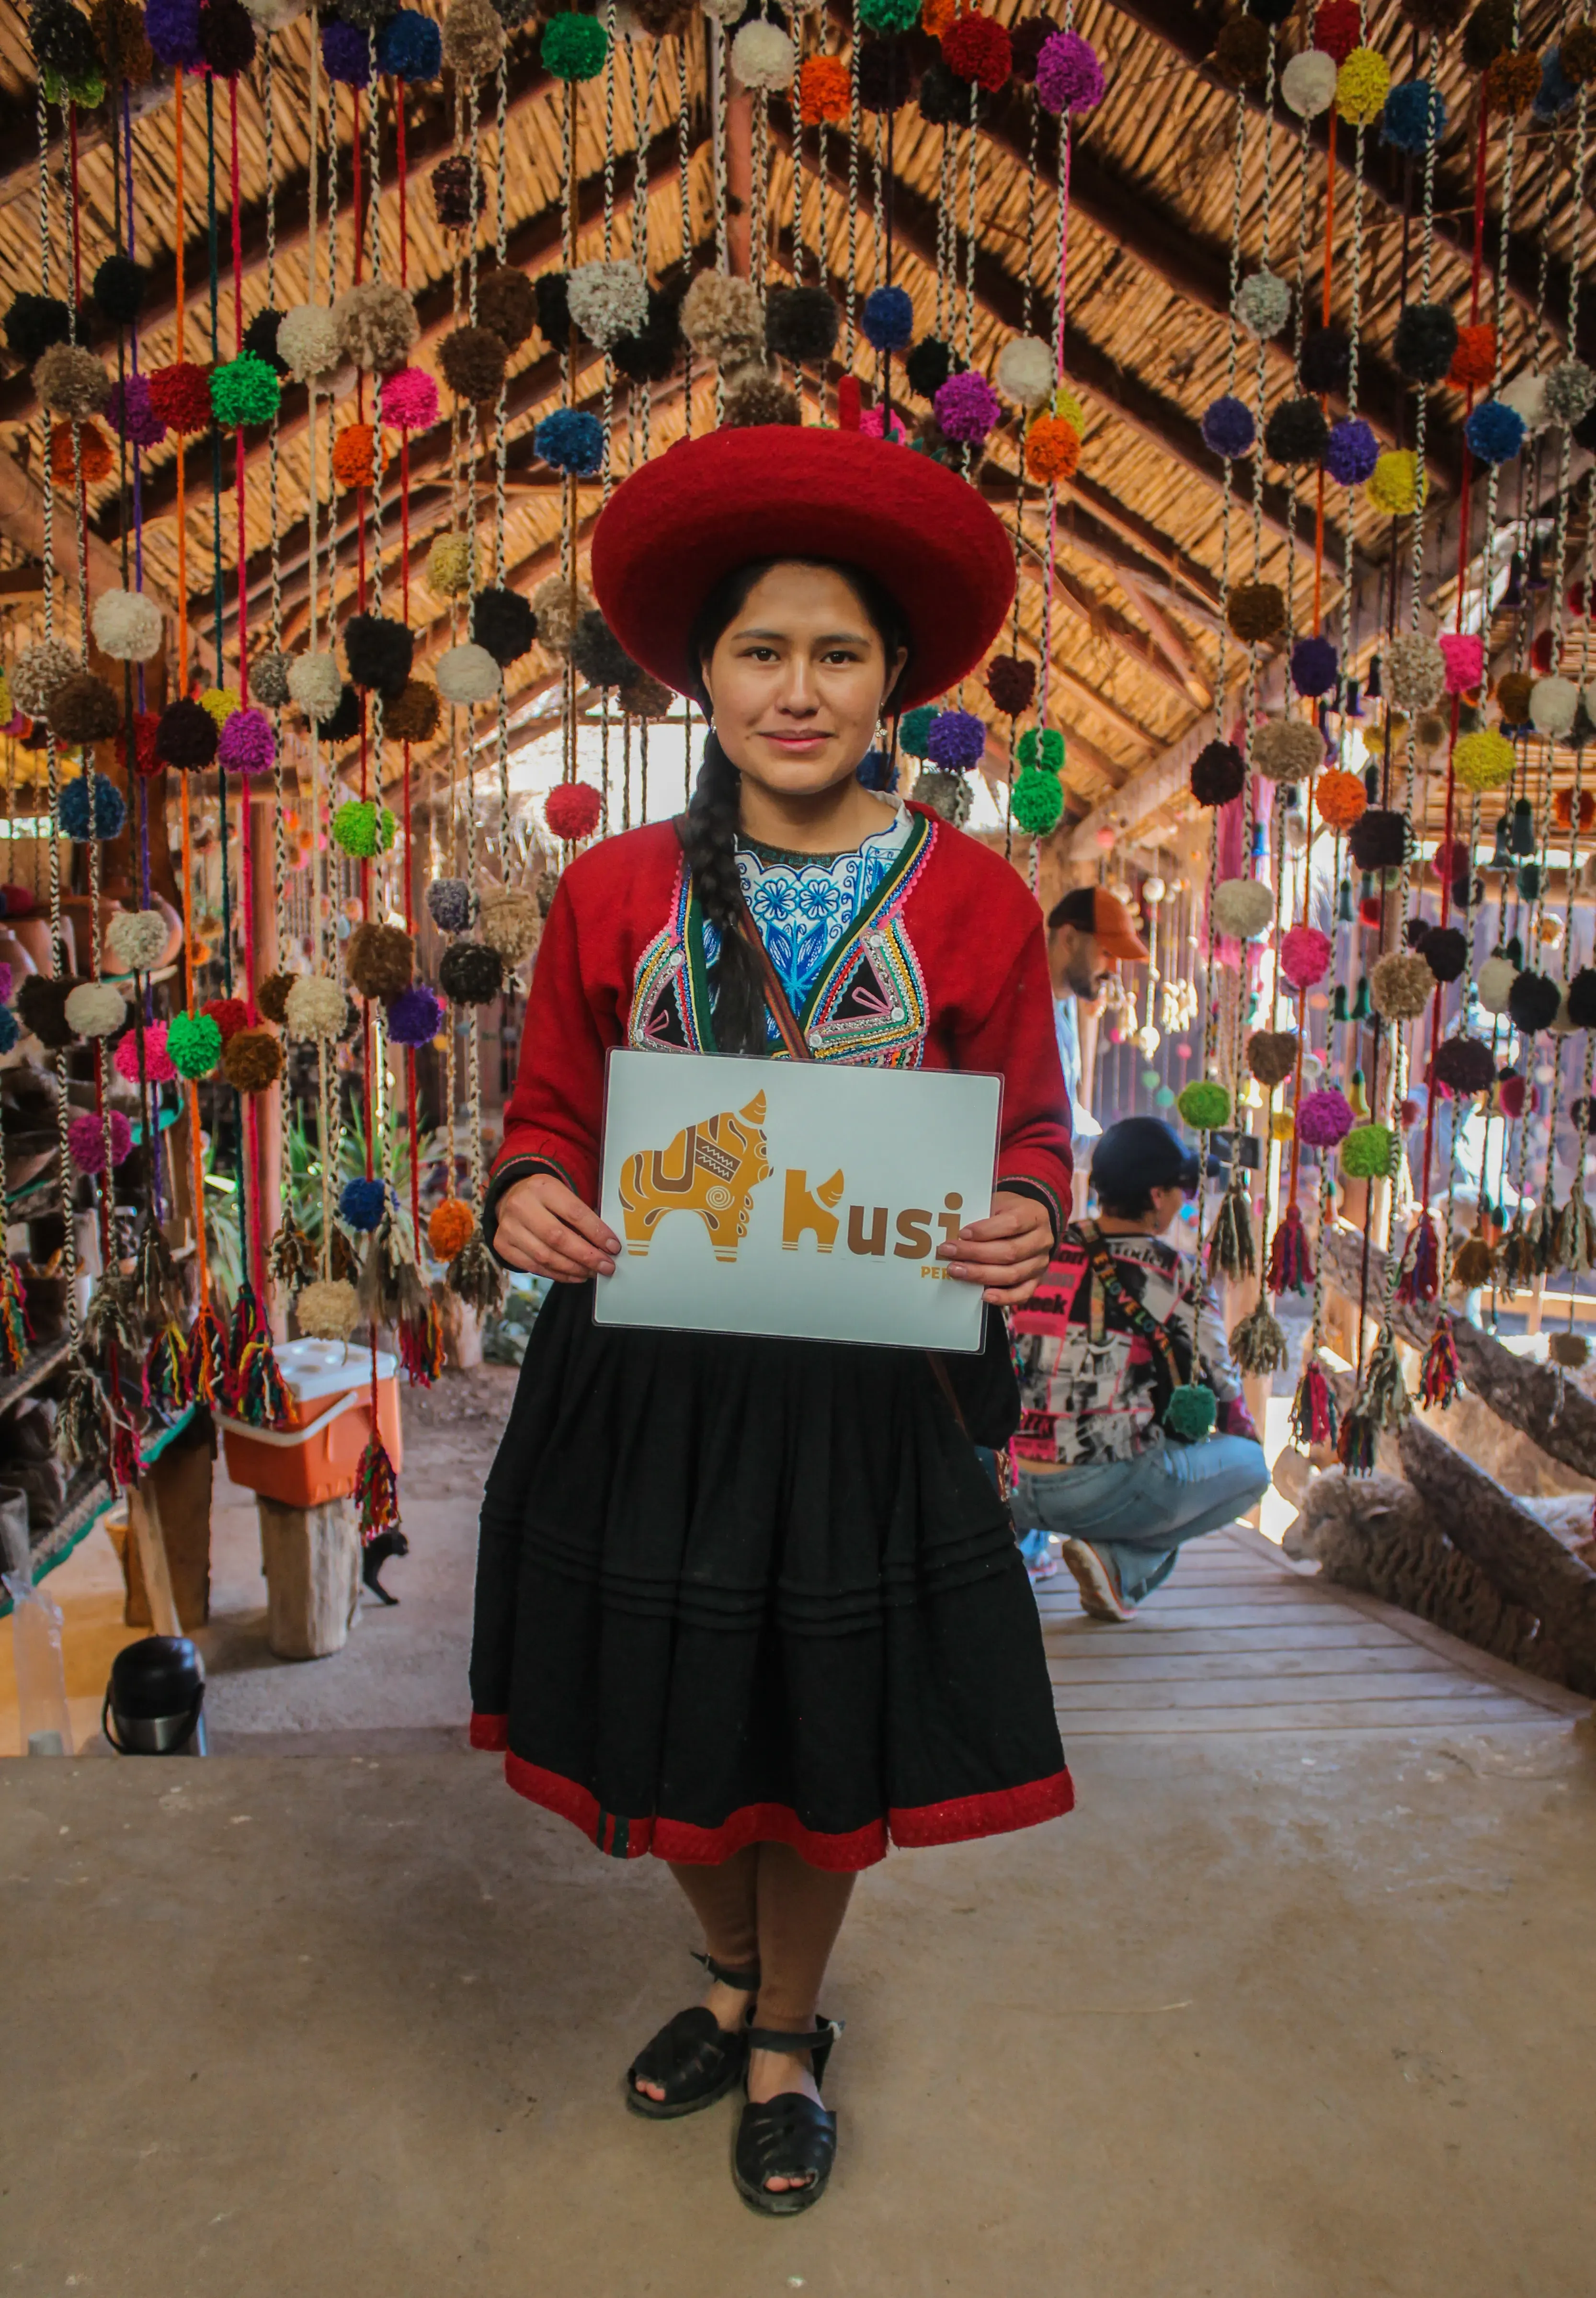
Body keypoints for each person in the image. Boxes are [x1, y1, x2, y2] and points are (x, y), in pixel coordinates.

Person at [469, 426, 1075, 2217]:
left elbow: (1029, 1125)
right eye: (758, 650)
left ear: (893, 678)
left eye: (832, 653)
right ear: (700, 675)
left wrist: (1025, 1205)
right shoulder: (605, 895)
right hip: (640, 1379)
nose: (793, 690)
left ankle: (783, 2035)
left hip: (863, 1398)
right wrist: (523, 1192)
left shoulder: (976, 904)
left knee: (810, 1719)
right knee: (663, 1703)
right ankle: (729, 1975)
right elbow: (546, 1114)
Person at [1010, 1116, 1269, 1623]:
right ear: (1156, 1196)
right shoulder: (1172, 1273)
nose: (1184, 1199)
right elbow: (1222, 1386)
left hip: (1009, 1481)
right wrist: (1240, 1437)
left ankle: (1023, 1548)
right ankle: (1121, 1563)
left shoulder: (1044, 1249)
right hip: (1101, 1486)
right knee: (1250, 1469)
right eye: (1183, 1188)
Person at [1045, 884, 1149, 1150]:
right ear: (1069, 939)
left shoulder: (1063, 1005)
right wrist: (1115, 1157)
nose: (1114, 972)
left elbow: (1066, 1116)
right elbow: (1049, 1135)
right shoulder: (1028, 1013)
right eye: (1107, 954)